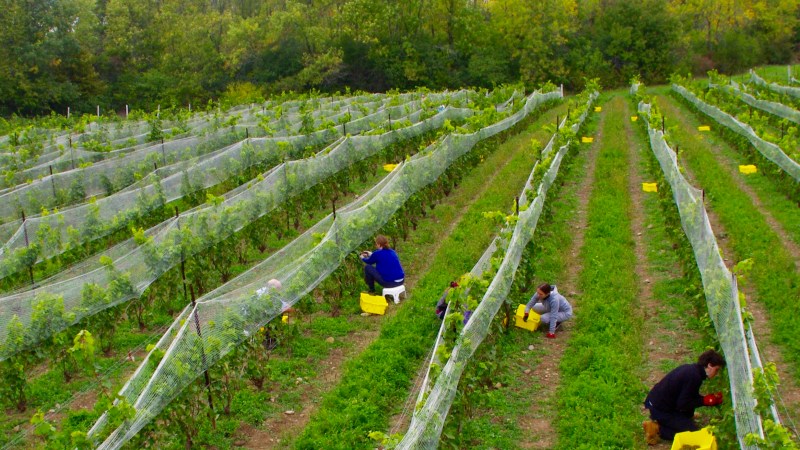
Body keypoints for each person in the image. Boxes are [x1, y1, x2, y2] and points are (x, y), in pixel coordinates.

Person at [643, 350, 726, 444]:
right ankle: (656, 428)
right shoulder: (695, 377)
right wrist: (705, 401)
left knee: (687, 420)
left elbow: (689, 395)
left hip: (659, 403)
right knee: (691, 433)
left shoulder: (693, 370)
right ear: (709, 365)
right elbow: (683, 404)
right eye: (716, 370)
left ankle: (681, 418)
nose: (716, 373)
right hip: (660, 409)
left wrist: (707, 400)